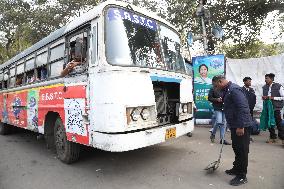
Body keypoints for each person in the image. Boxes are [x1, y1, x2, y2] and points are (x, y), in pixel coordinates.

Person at [212, 75, 251, 186]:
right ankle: (236, 169)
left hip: (241, 125)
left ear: (220, 81)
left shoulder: (234, 89)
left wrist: (240, 126)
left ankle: (242, 176)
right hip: (235, 124)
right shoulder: (228, 89)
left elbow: (243, 107)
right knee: (237, 148)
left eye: (216, 86)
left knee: (242, 150)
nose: (216, 88)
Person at [262, 73, 284, 144]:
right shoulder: (264, 87)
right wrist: (264, 97)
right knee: (270, 123)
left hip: (276, 108)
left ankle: (282, 138)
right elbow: (265, 96)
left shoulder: (279, 86)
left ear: (271, 79)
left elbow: (283, 97)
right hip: (268, 108)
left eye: (267, 78)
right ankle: (272, 137)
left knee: (278, 123)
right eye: (265, 78)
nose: (265, 80)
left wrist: (273, 98)